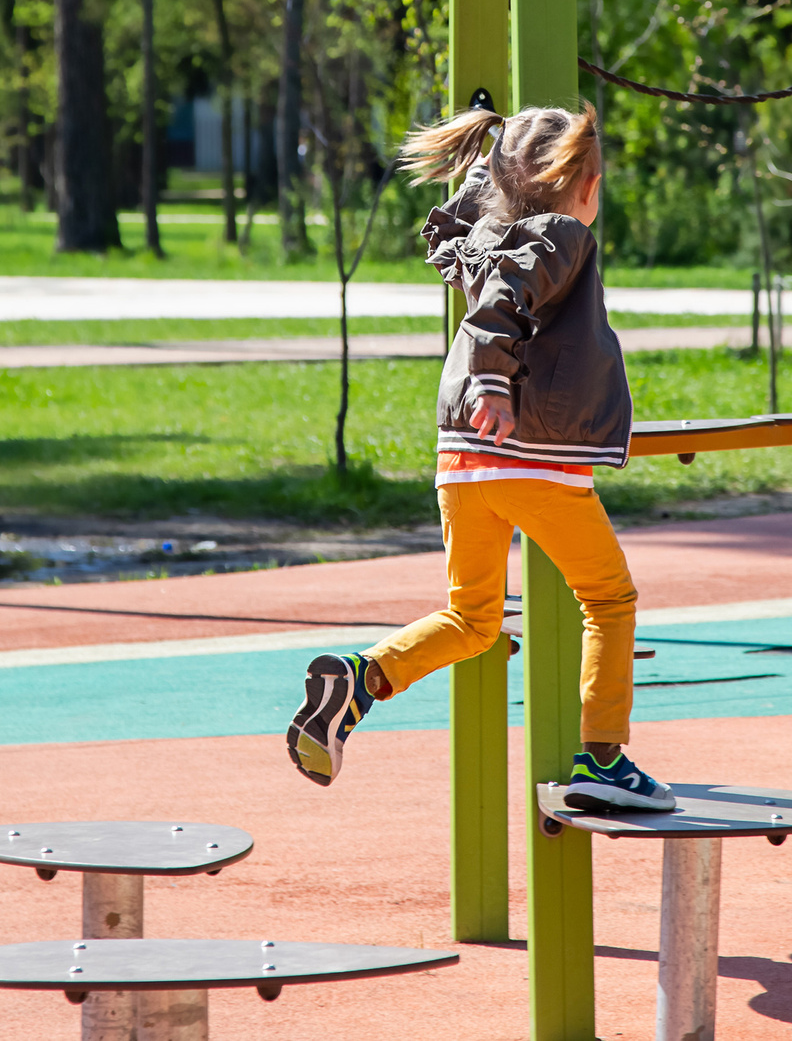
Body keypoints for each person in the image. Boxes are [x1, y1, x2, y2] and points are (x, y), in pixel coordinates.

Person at [284, 101, 675, 811]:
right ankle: (603, 761)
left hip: (463, 467)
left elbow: (483, 255)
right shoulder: (560, 234)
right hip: (532, 461)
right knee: (609, 598)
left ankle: (363, 676)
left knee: (473, 620)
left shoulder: (485, 233)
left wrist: (491, 148)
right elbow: (500, 303)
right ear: (586, 185)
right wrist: (492, 379)